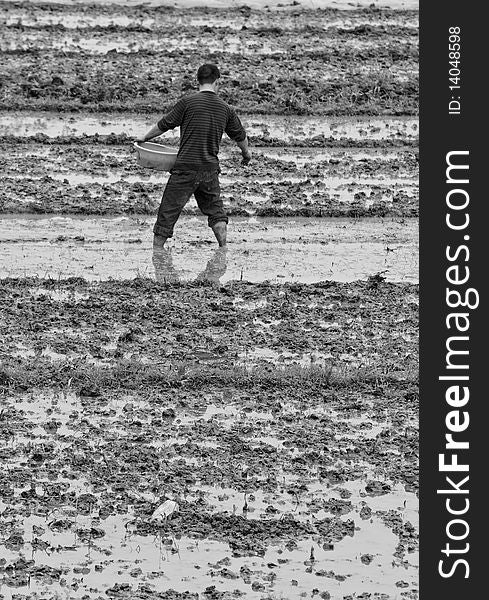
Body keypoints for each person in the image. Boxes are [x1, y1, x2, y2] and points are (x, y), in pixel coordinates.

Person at [140, 63, 252, 248]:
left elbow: (164, 124)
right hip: (209, 170)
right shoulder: (225, 109)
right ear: (218, 81)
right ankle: (223, 249)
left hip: (185, 168)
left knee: (167, 213)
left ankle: (157, 252)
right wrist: (246, 153)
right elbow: (240, 136)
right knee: (215, 211)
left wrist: (144, 137)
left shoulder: (187, 103)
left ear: (197, 81)